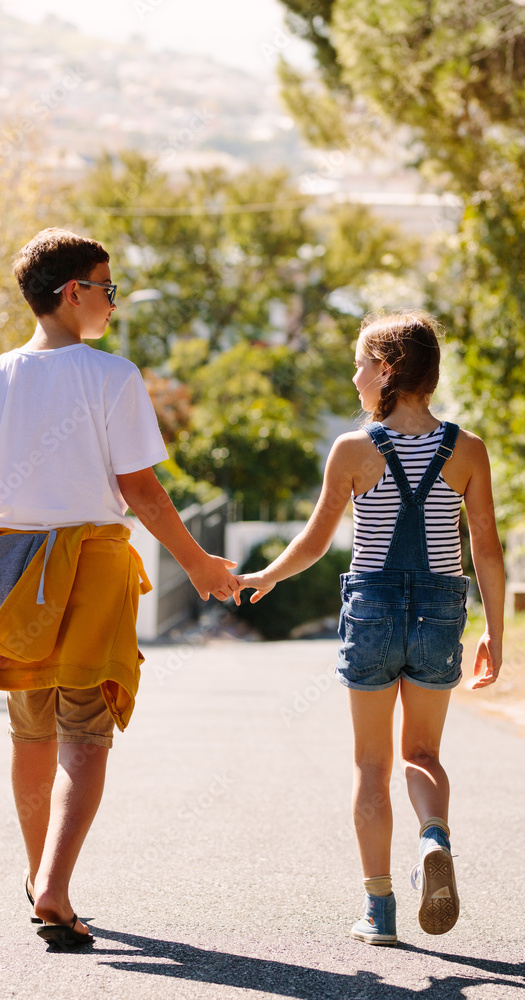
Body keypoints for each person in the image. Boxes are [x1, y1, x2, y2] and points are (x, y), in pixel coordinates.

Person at [0, 227, 240, 949]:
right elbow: (142, 492)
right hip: (92, 567)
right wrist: (198, 563)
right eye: (106, 288)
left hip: (9, 570)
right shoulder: (112, 376)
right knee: (86, 735)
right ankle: (56, 885)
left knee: (31, 729)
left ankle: (39, 875)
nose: (112, 302)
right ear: (73, 292)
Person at [235, 311, 504, 946]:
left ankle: (379, 909)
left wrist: (266, 577)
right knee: (424, 755)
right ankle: (433, 835)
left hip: (374, 607)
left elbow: (314, 539)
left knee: (370, 763)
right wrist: (496, 631)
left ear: (385, 370)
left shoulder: (354, 450)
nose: (354, 377)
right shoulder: (468, 451)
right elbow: (486, 550)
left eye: (360, 364)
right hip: (441, 607)